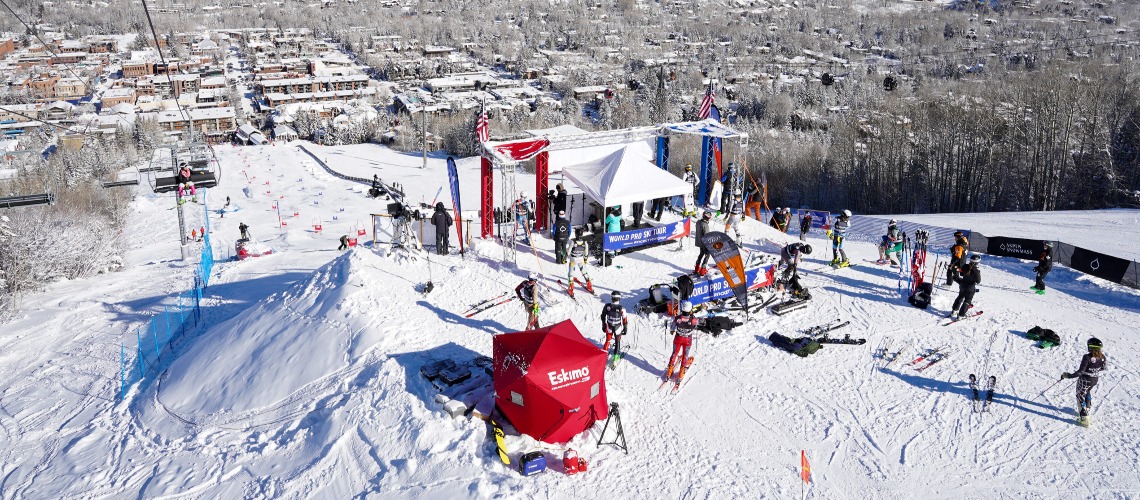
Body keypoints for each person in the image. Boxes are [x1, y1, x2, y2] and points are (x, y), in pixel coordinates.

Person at [1061, 338, 1107, 425]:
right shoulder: (1102, 357)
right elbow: (1103, 368)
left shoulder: (1087, 357)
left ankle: (1084, 419)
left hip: (1084, 380)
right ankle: (1088, 408)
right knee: (1088, 392)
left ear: (1090, 347)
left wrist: (1069, 375)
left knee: (1080, 396)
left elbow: (1080, 372)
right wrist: (1093, 370)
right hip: (1094, 379)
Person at [665, 300, 701, 382]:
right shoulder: (693, 320)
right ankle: (681, 374)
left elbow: (672, 326)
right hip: (687, 340)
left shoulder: (677, 318)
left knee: (674, 353)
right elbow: (698, 323)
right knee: (685, 355)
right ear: (690, 310)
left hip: (678, 338)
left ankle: (669, 371)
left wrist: (672, 330)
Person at [950, 254, 982, 320]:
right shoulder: (976, 271)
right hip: (970, 288)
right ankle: (961, 315)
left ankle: (954, 310)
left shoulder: (965, 266)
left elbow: (961, 273)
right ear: (977, 262)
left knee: (960, 297)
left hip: (962, 285)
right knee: (967, 301)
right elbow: (978, 281)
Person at [693, 210, 712, 275]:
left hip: (699, 241)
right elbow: (706, 235)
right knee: (707, 254)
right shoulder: (705, 225)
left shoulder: (698, 222)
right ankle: (703, 269)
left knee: (701, 254)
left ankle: (697, 267)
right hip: (704, 243)